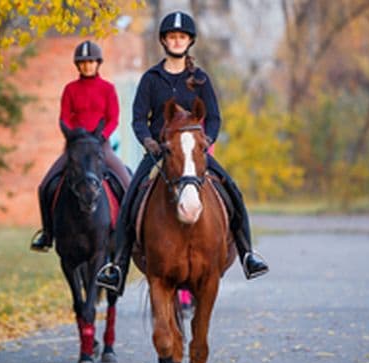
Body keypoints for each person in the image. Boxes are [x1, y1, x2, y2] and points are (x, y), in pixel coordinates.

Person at [96, 11, 269, 293]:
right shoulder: (151, 78)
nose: (177, 41)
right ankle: (117, 265)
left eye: (182, 37)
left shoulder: (200, 79)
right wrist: (148, 142)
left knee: (233, 192)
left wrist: (206, 140)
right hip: (158, 151)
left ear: (189, 41)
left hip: (193, 152)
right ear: (164, 40)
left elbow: (213, 117)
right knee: (130, 199)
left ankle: (248, 255)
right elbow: (138, 118)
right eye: (172, 37)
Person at [31, 41, 131, 252]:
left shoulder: (108, 89)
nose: (87, 66)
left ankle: (129, 231)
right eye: (83, 63)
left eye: (91, 62)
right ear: (78, 65)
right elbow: (65, 118)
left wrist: (100, 137)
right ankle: (48, 234)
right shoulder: (70, 89)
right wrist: (74, 138)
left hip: (101, 147)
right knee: (44, 186)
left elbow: (113, 118)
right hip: (76, 148)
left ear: (98, 64)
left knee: (126, 182)